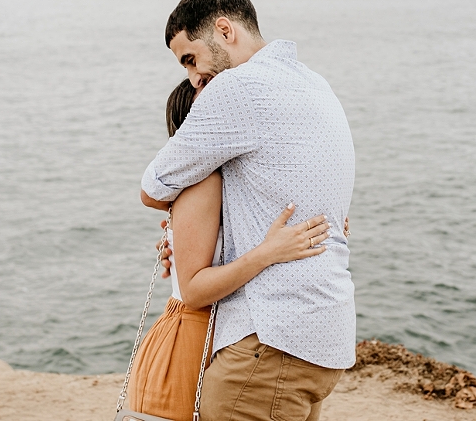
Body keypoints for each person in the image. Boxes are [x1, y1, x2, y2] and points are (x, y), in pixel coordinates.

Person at [140, 0, 356, 421]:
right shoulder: (316, 86)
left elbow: (153, 186)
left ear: (224, 30)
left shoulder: (238, 88)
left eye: (191, 58)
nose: (193, 77)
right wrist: (200, 236)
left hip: (269, 339)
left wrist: (187, 216)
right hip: (326, 334)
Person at [128, 79, 333, 421]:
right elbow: (195, 291)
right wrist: (267, 253)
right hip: (195, 338)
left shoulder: (243, 184)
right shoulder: (202, 181)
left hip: (238, 335)